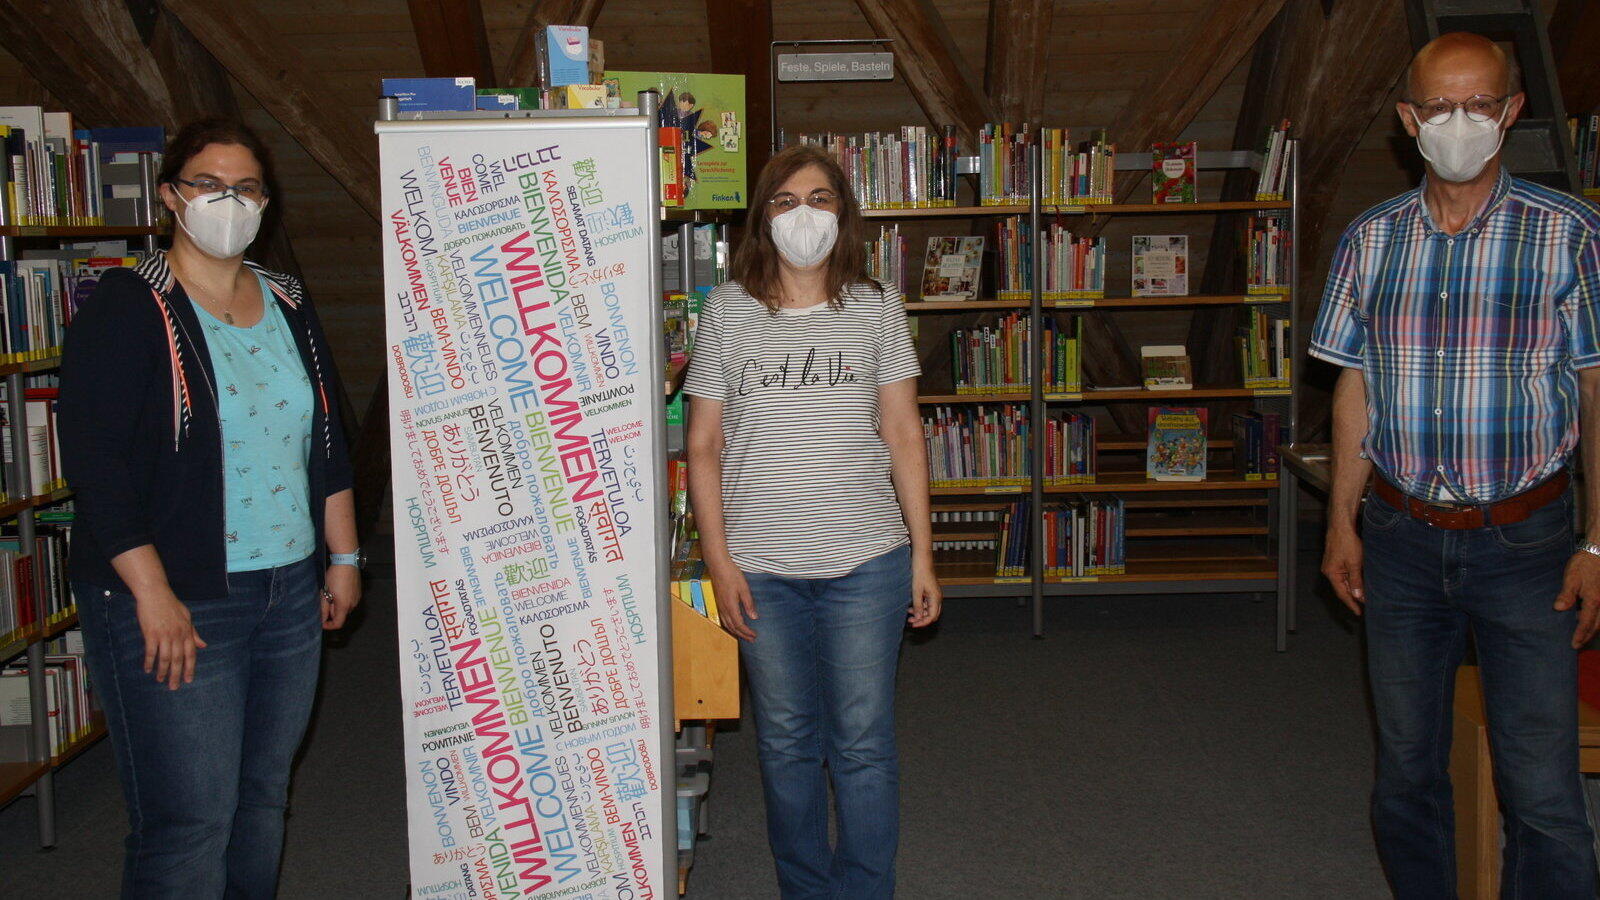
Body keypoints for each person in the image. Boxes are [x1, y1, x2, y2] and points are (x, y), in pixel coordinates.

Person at [1312, 32, 1600, 897]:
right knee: (1406, 772)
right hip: (1400, 538)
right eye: (1439, 106)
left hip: (1527, 546)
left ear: (1512, 111)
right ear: (1409, 119)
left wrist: (1599, 543)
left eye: (1479, 104)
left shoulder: (1571, 234)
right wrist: (1341, 523)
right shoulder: (1370, 239)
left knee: (1541, 787)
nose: (1458, 123)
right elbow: (1354, 387)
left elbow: (1597, 394)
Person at [57, 118, 360, 898]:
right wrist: (152, 594)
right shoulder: (129, 305)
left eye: (246, 188)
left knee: (261, 800)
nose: (229, 201)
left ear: (266, 201)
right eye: (208, 184)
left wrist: (344, 557)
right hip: (178, 595)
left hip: (288, 590)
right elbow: (96, 465)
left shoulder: (288, 299)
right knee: (189, 822)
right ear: (171, 196)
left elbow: (325, 436)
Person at [682, 144, 941, 898]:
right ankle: (805, 889)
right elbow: (703, 444)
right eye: (787, 199)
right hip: (760, 568)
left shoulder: (877, 306)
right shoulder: (727, 311)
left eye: (821, 198)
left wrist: (923, 555)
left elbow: (904, 434)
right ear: (763, 215)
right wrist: (719, 563)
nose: (805, 214)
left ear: (844, 213)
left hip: (868, 561)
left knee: (862, 745)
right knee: (787, 745)